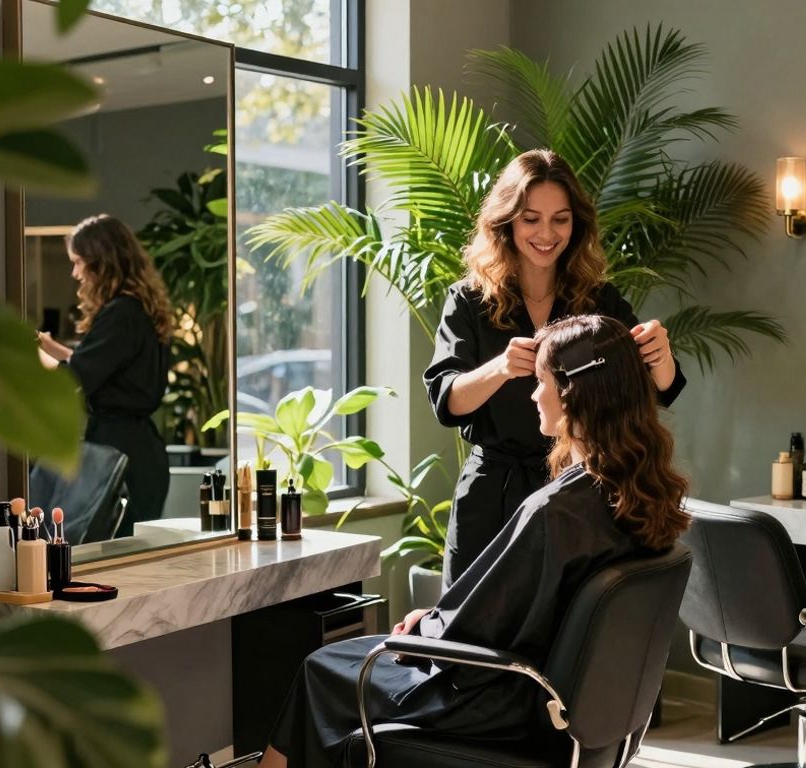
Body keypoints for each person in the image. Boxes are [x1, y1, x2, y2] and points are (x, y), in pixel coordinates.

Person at [261, 314, 692, 768]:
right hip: (558, 703)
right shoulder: (639, 493)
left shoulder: (557, 512)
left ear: (572, 395)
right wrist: (433, 619)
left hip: (500, 700)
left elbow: (474, 631)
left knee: (323, 669)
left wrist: (425, 628)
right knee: (344, 660)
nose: (533, 395)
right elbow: (512, 613)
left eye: (541, 381)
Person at [424, 148, 686, 586]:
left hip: (578, 497)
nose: (546, 233)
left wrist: (660, 356)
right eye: (531, 219)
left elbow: (661, 388)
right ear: (506, 220)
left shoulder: (599, 301)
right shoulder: (468, 300)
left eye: (560, 219)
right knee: (466, 631)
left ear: (576, 224)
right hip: (492, 498)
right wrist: (500, 369)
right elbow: (446, 402)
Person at [37, 214, 173, 538]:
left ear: (101, 263)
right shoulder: (138, 310)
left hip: (118, 458)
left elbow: (74, 379)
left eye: (78, 262)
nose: (75, 273)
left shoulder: (120, 314)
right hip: (141, 452)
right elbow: (103, 366)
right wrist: (52, 348)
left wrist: (35, 357)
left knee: (109, 567)